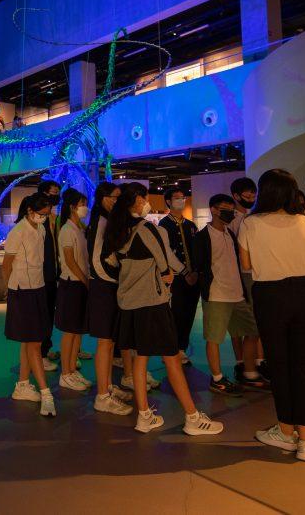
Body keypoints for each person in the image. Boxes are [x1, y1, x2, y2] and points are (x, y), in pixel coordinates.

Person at [104, 182, 223, 436]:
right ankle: (192, 417)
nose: (147, 202)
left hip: (129, 302)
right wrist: (179, 273)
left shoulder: (117, 230)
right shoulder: (146, 228)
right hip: (153, 301)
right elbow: (163, 260)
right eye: (144, 198)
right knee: (171, 357)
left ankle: (144, 415)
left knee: (140, 357)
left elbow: (111, 262)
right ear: (136, 202)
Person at [239, 169, 305, 462]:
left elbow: (246, 265)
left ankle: (285, 431)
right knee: (301, 366)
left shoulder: (250, 223)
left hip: (269, 296)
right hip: (304, 294)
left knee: (278, 365)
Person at [191, 194, 266, 396]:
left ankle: (248, 371)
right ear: (213, 210)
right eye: (225, 208)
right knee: (214, 338)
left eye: (231, 209)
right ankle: (217, 378)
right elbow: (198, 266)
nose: (230, 212)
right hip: (216, 294)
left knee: (252, 330)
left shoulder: (229, 234)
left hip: (237, 294)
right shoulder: (201, 237)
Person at [2, 192, 57, 417]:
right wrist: (8, 289)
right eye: (42, 214)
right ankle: (46, 393)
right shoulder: (17, 232)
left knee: (30, 340)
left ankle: (23, 384)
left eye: (47, 214)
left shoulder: (41, 229)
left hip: (38, 287)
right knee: (33, 341)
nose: (45, 217)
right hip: (22, 290)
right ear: (30, 211)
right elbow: (6, 264)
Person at [86, 182, 135, 415]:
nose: (115, 201)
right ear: (102, 198)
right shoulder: (100, 222)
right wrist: (112, 280)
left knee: (110, 341)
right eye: (112, 197)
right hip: (104, 287)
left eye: (118, 197)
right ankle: (102, 396)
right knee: (105, 341)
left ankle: (107, 387)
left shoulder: (108, 221)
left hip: (109, 286)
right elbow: (96, 260)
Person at [229, 176, 265, 383]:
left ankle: (256, 361)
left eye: (253, 194)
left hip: (254, 274)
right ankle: (241, 362)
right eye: (247, 194)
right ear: (236, 196)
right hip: (240, 275)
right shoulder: (233, 220)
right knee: (242, 323)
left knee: (254, 319)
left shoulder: (254, 218)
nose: (251, 197)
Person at [56, 189, 93, 391]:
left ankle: (72, 369)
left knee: (77, 330)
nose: (84, 208)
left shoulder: (78, 228)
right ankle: (65, 373)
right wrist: (84, 280)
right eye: (81, 204)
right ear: (72, 206)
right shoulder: (66, 230)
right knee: (70, 331)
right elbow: (69, 260)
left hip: (79, 284)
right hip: (72, 284)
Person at [157, 188, 199, 365]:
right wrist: (184, 272)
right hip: (176, 277)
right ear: (168, 201)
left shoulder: (191, 225)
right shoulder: (163, 225)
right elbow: (166, 253)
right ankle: (173, 349)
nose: (181, 200)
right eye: (177, 198)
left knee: (189, 313)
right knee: (176, 313)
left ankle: (182, 346)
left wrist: (195, 272)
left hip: (193, 278)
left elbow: (197, 250)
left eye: (183, 197)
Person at [37, 179, 62, 370]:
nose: (55, 196)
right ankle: (40, 353)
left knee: (49, 313)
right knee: (42, 314)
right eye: (53, 193)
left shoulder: (53, 218)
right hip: (42, 275)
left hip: (52, 273)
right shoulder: (38, 221)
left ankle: (46, 348)